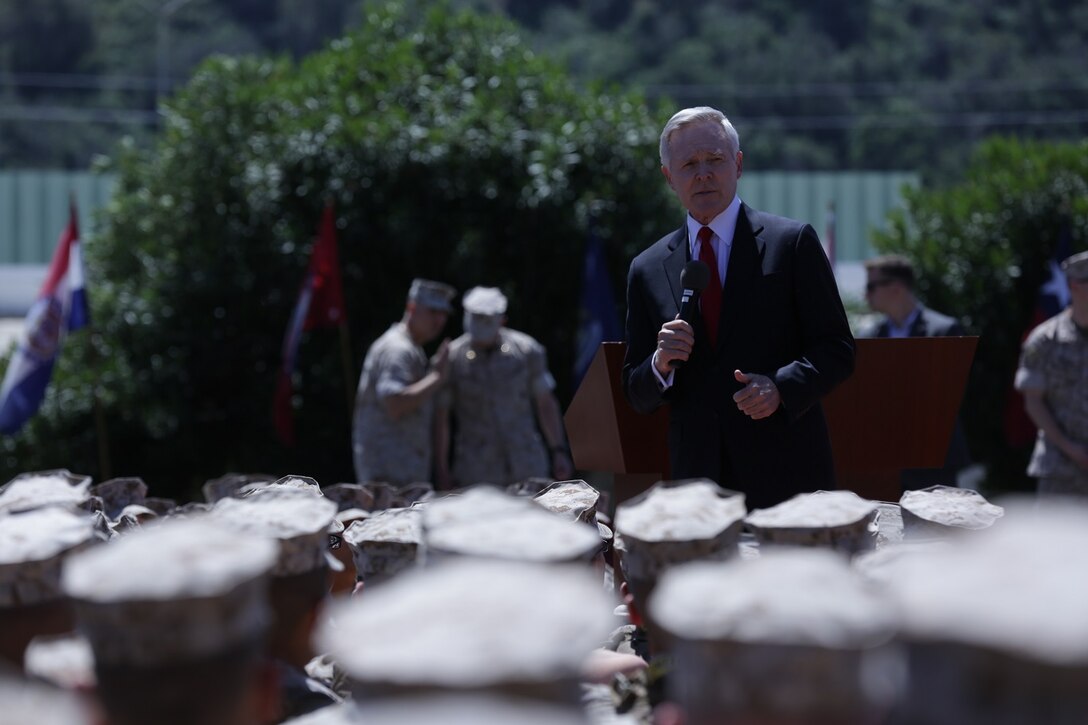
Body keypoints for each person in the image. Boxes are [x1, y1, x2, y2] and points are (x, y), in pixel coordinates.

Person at [622, 106, 855, 510]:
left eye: (715, 159)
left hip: (786, 474)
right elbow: (635, 391)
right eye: (689, 164)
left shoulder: (791, 243)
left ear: (739, 164)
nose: (703, 173)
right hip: (698, 486)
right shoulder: (647, 267)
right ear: (668, 177)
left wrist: (780, 387)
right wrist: (660, 364)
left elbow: (837, 348)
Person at [434, 286, 574, 489]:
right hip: (477, 471)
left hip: (526, 464)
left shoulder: (526, 350)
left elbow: (545, 404)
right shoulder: (452, 358)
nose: (482, 324)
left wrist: (558, 450)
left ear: (502, 320)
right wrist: (441, 469)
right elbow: (442, 417)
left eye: (487, 319)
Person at [859, 254, 972, 489]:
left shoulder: (943, 329)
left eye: (871, 286)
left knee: (935, 526)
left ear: (896, 288)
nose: (865, 294)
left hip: (933, 456)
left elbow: (951, 394)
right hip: (883, 458)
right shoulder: (870, 335)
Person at [352, 278, 456, 485]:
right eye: (432, 312)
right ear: (411, 307)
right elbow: (395, 404)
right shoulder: (397, 349)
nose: (439, 321)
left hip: (401, 473)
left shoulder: (411, 348)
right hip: (389, 477)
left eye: (443, 314)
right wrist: (436, 377)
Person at [1015, 250, 1088, 495]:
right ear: (1074, 286)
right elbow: (1033, 401)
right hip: (1060, 469)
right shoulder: (1045, 339)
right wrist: (1071, 448)